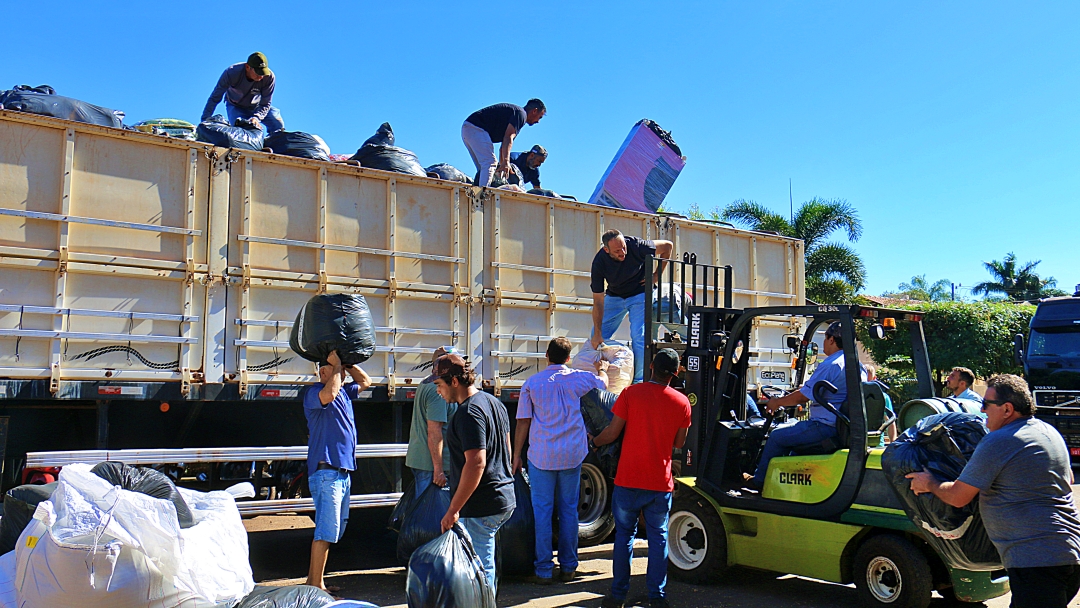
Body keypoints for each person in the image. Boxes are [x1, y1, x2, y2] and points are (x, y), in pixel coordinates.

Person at [907, 374, 1080, 608]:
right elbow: (1066, 480)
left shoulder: (1000, 440)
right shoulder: (1048, 432)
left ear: (1007, 409)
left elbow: (958, 497)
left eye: (987, 404)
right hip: (1067, 553)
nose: (982, 409)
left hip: (1036, 560)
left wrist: (929, 483)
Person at [591, 349, 691, 608]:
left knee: (624, 536)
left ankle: (617, 595)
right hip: (659, 481)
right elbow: (679, 442)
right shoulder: (682, 403)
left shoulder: (630, 394)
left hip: (628, 479)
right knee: (658, 537)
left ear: (650, 367)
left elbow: (612, 433)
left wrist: (595, 441)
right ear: (676, 373)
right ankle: (657, 597)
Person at [513, 337, 609, 585]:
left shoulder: (531, 383)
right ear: (568, 358)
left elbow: (523, 421)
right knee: (569, 511)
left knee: (542, 513)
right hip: (572, 456)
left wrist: (516, 455)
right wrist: (603, 369)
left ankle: (544, 570)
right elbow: (604, 386)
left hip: (541, 457)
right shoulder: (578, 378)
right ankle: (569, 567)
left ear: (547, 355)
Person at [746, 321, 866, 490]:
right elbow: (826, 391)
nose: (824, 342)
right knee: (791, 433)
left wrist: (777, 402)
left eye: (825, 338)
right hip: (842, 427)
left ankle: (758, 483)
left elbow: (802, 398)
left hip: (825, 426)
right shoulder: (856, 365)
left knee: (777, 436)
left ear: (831, 340)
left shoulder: (831, 364)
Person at [435, 353, 515, 593]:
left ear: (454, 382)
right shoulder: (494, 403)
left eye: (439, 385)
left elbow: (477, 463)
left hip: (482, 504)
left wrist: (453, 509)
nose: (438, 392)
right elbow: (507, 448)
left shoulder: (468, 413)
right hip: (502, 496)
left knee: (480, 568)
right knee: (481, 563)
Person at [303, 350, 372, 594]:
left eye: (329, 370)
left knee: (334, 529)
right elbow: (328, 393)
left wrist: (346, 365)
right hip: (326, 472)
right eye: (325, 370)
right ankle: (315, 585)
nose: (324, 373)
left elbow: (366, 382)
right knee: (326, 529)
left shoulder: (344, 392)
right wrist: (333, 369)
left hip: (342, 473)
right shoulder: (314, 394)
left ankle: (314, 581)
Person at [590, 229, 674, 384]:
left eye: (623, 247)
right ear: (606, 250)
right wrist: (598, 334)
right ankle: (596, 378)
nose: (623, 252)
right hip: (615, 297)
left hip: (639, 294)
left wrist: (656, 275)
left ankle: (639, 382)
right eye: (617, 250)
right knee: (596, 336)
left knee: (639, 336)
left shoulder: (636, 245)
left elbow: (668, 246)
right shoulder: (599, 263)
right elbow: (598, 301)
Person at [404, 347, 457, 498]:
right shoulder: (437, 389)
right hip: (431, 466)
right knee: (433, 516)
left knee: (427, 511)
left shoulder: (426, 383)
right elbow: (435, 431)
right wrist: (438, 470)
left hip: (425, 462)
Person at [461, 99, 546, 187]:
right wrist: (506, 162)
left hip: (469, 128)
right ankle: (483, 196)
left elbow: (503, 146)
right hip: (476, 128)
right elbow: (508, 138)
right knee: (490, 163)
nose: (538, 121)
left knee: (484, 168)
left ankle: (479, 192)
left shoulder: (518, 115)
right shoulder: (521, 114)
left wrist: (502, 167)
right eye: (539, 117)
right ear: (534, 111)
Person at [201, 52, 284, 133]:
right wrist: (204, 120)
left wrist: (256, 118)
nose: (261, 77)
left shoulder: (269, 77)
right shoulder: (232, 73)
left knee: (277, 124)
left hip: (257, 107)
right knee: (241, 132)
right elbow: (215, 98)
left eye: (263, 73)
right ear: (247, 67)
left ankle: (274, 142)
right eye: (258, 73)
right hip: (236, 106)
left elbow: (265, 104)